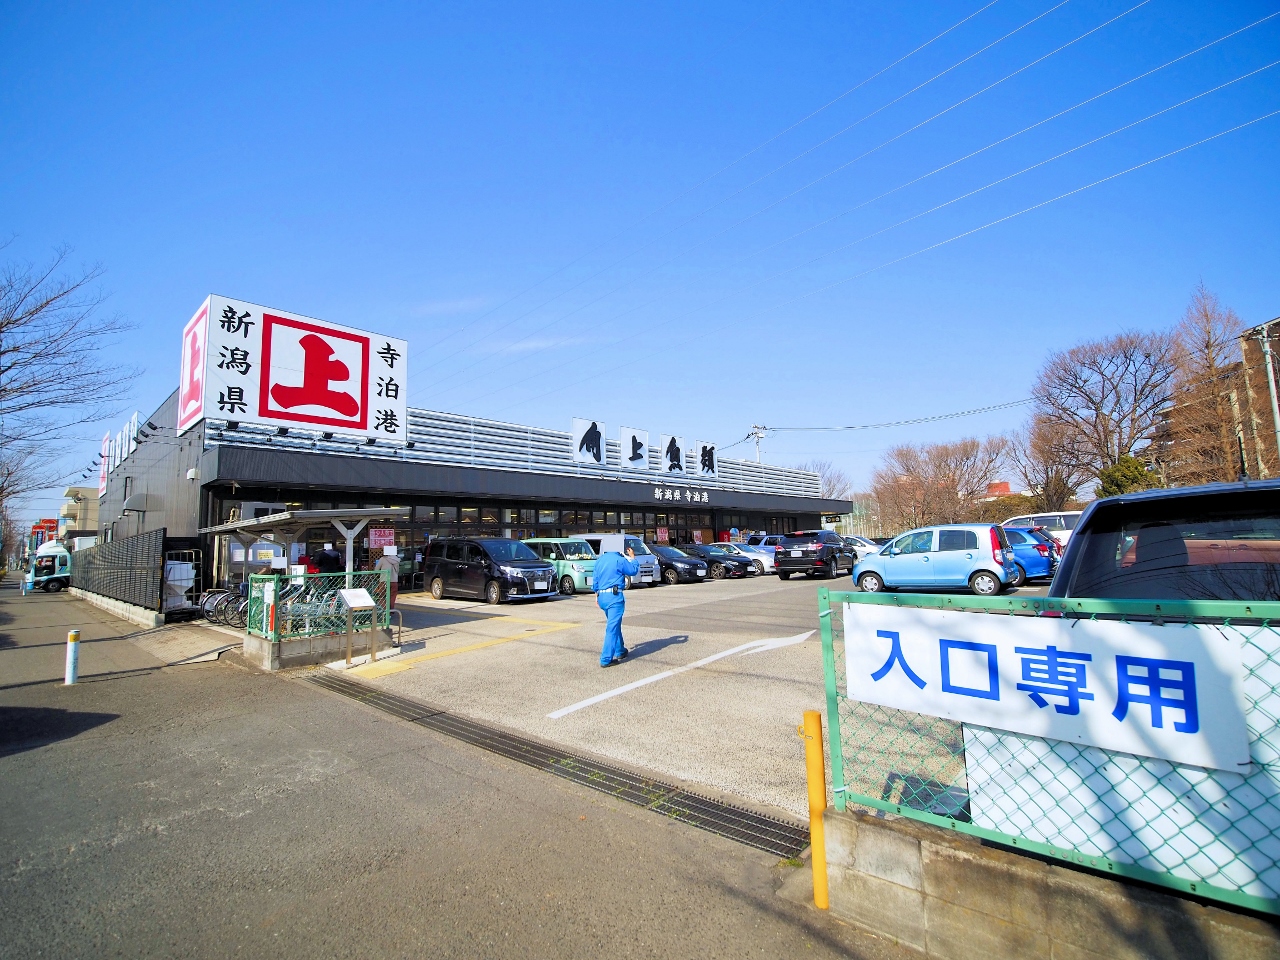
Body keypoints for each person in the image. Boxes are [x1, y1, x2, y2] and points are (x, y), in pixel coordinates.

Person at [592, 543, 639, 667]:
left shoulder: (600, 560)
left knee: (614, 624)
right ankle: (606, 659)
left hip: (602, 597)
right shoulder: (619, 560)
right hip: (614, 597)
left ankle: (620, 650)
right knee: (612, 628)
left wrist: (597, 596)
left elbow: (595, 581)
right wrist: (632, 557)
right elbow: (633, 570)